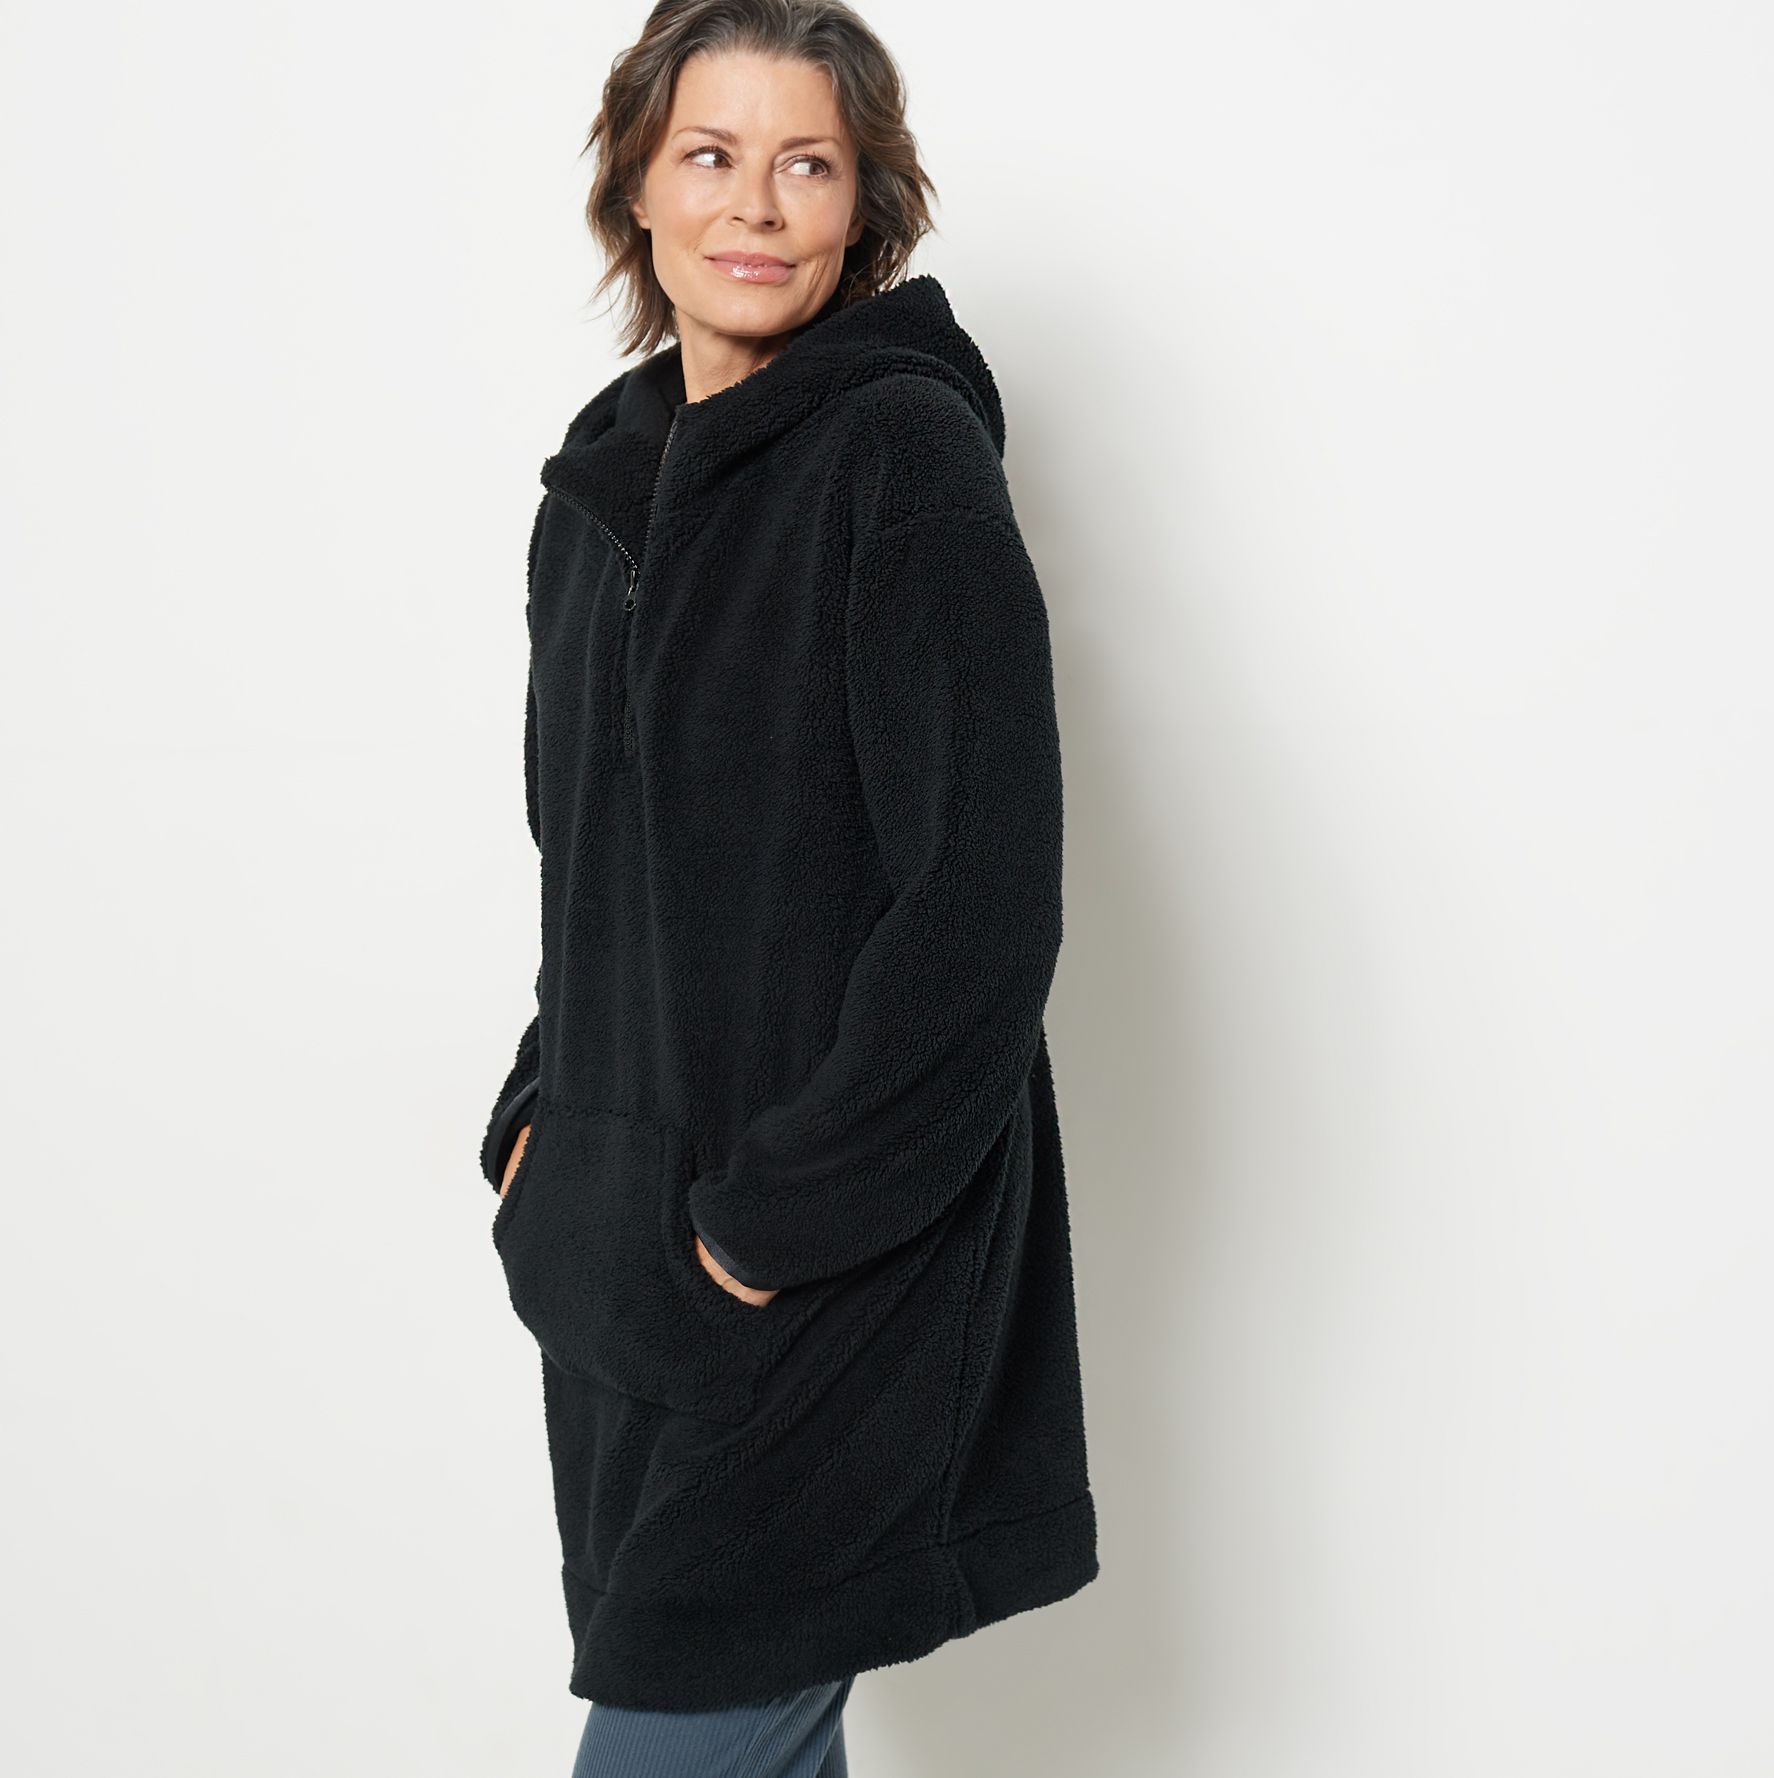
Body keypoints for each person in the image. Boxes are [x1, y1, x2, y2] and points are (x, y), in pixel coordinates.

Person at [475, 3, 1099, 1769]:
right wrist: (539, 1131)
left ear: (863, 207)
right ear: (638, 187)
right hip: (627, 1280)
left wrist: (769, 1227)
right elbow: (585, 878)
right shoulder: (592, 501)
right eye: (711, 154)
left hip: (830, 1273)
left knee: (675, 1737)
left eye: (806, 163)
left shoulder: (899, 458)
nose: (755, 204)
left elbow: (983, 907)